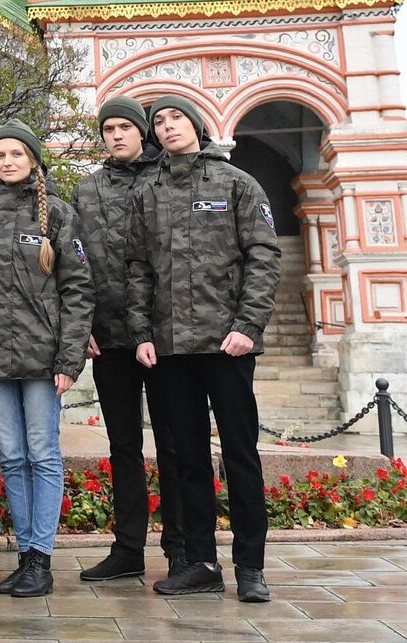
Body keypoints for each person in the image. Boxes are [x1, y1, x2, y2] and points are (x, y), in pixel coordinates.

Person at [128, 93, 281, 604]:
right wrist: (142, 332)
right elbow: (138, 269)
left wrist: (248, 325)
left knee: (240, 455)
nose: (168, 127)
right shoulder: (147, 192)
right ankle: (200, 562)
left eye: (176, 118)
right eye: (160, 122)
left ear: (195, 124)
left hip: (227, 346)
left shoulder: (237, 183)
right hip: (170, 349)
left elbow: (263, 256)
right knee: (187, 458)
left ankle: (251, 567)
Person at [0, 121, 93, 600]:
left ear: (33, 159)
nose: (7, 162)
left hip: (41, 361)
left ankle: (39, 559)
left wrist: (69, 358)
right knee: (11, 457)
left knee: (42, 455)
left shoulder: (58, 217)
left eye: (16, 154)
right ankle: (25, 556)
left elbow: (77, 290)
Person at [73, 95, 185, 584]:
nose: (116, 135)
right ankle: (128, 548)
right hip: (110, 338)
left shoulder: (168, 180)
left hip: (165, 338)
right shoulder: (88, 189)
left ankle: (181, 547)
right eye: (108, 128)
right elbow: (75, 264)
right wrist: (85, 327)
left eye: (125, 127)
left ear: (144, 132)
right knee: (123, 446)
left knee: (175, 443)